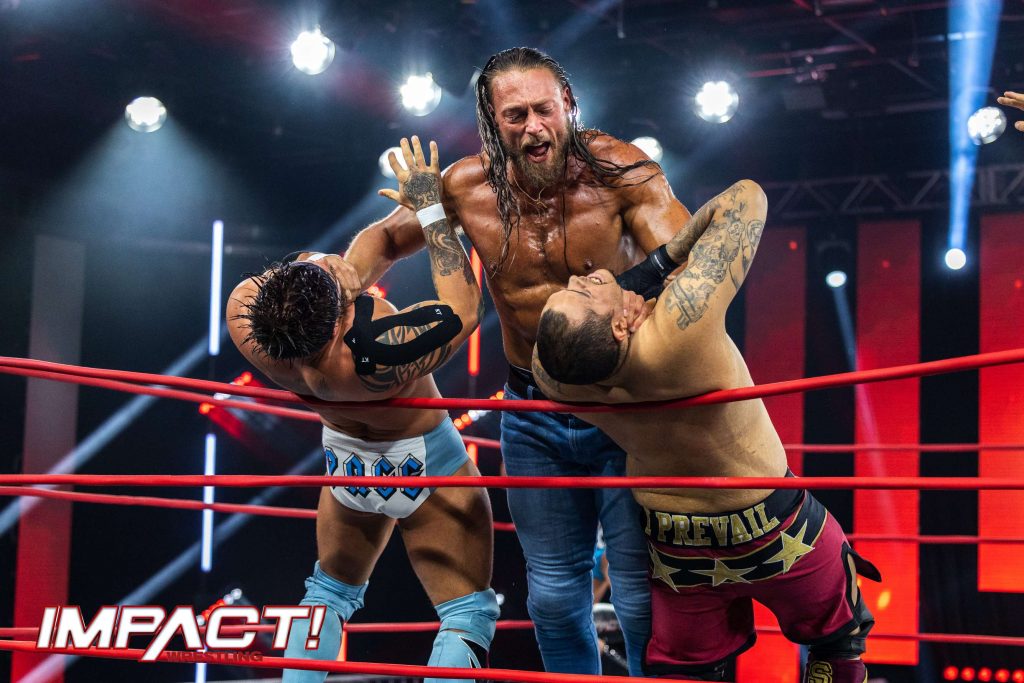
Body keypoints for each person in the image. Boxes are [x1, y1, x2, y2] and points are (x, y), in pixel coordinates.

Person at [340, 46, 691, 676]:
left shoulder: (623, 172)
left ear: (569, 106)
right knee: (553, 600)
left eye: (543, 110)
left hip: (624, 408)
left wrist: (646, 294)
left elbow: (689, 263)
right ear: (491, 122)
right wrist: (344, 277)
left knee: (640, 598)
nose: (533, 127)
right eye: (515, 115)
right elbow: (387, 238)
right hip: (533, 413)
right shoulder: (465, 187)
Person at [532, 179, 881, 682]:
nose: (577, 279)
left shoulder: (565, 384)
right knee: (838, 640)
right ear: (620, 326)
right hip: (774, 526)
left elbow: (546, 356)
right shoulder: (679, 331)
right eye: (583, 293)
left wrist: (616, 300)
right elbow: (747, 197)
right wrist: (658, 265)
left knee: (688, 671)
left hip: (678, 554)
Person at [227, 137, 498, 683]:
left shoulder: (247, 316)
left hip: (346, 464)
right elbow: (463, 310)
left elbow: (337, 261)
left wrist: (338, 265)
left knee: (327, 594)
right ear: (338, 322)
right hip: (427, 462)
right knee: (467, 613)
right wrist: (431, 209)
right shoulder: (377, 355)